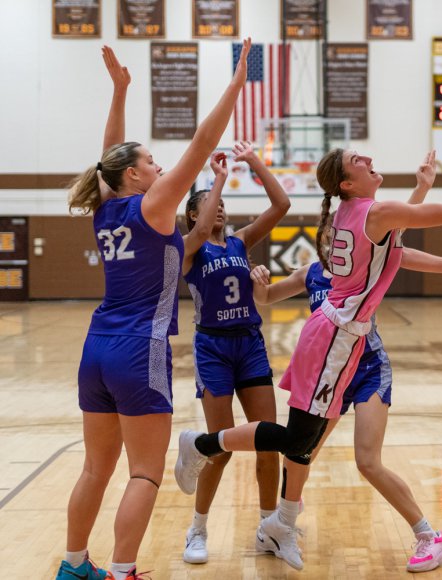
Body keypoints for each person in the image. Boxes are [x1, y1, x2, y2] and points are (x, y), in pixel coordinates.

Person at [174, 147, 442, 570]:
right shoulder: (367, 216)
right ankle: (202, 445)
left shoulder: (355, 213)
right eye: (355, 160)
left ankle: (277, 519)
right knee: (297, 444)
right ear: (346, 183)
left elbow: (393, 248)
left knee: (302, 447)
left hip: (339, 338)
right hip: (335, 338)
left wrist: (428, 205)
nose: (365, 157)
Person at [56, 41, 252, 580]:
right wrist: (235, 85)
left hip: (96, 347)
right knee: (144, 473)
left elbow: (108, 154)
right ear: (138, 177)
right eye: (150, 161)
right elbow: (202, 141)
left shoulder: (106, 205)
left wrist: (119, 92)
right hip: (140, 349)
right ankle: (123, 572)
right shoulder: (155, 205)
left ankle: (74, 567)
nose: (158, 165)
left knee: (96, 467)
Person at [247, 236, 442, 572]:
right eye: (329, 232)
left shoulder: (367, 268)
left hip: (367, 368)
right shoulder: (309, 273)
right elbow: (265, 297)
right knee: (298, 452)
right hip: (331, 375)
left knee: (367, 461)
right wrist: (257, 277)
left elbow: (402, 248)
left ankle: (429, 536)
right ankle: (283, 523)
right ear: (323, 237)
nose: (334, 239)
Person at [178, 140, 290, 564]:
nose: (219, 207)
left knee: (268, 441)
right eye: (209, 203)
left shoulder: (241, 242)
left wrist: (253, 161)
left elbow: (281, 204)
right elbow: (204, 230)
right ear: (194, 213)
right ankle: (197, 529)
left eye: (222, 202)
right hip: (213, 348)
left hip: (250, 344)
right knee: (220, 449)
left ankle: (269, 528)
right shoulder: (189, 245)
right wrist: (218, 180)